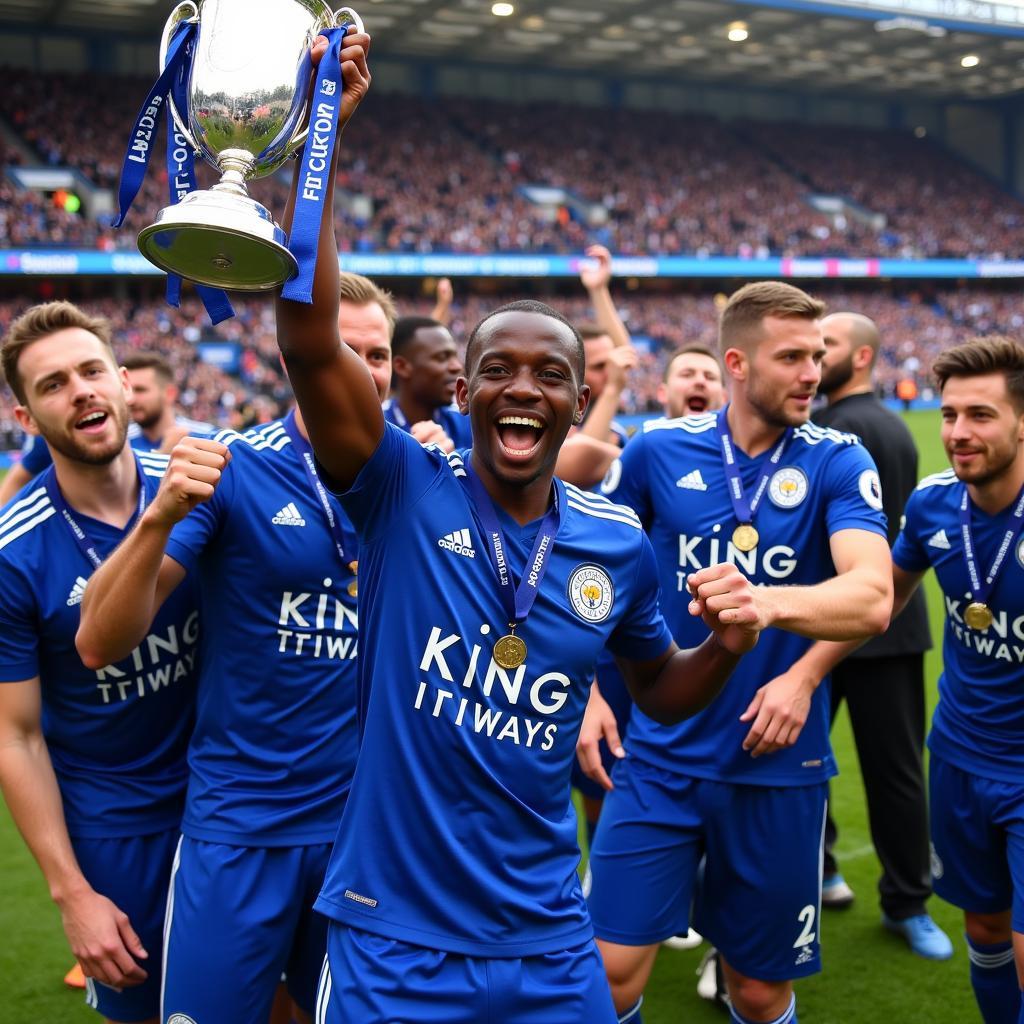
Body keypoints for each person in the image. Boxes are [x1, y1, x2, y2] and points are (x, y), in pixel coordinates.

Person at [273, 36, 763, 1022]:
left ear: (580, 403)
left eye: (551, 375)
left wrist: (725, 645)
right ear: (463, 390)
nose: (524, 388)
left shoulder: (613, 540)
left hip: (548, 936)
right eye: (501, 368)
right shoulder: (403, 486)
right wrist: (320, 136)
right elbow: (307, 335)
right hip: (393, 935)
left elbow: (658, 693)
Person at [75, 268, 395, 1022]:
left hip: (369, 835)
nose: (361, 372)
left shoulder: (423, 475)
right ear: (296, 360)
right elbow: (98, 642)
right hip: (241, 825)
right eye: (343, 352)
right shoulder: (233, 467)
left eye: (376, 356)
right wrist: (158, 518)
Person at [584, 281, 893, 1024]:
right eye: (792, 357)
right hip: (656, 756)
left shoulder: (837, 460)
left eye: (817, 355)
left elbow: (874, 597)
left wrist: (772, 612)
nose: (813, 373)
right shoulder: (658, 451)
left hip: (774, 765)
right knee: (606, 971)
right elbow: (592, 577)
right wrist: (591, 693)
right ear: (737, 363)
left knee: (756, 988)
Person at [809, 336, 1024, 1024]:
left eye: (981, 416)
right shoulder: (934, 505)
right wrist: (800, 678)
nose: (958, 432)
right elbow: (874, 606)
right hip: (959, 758)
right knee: (985, 931)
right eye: (951, 413)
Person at [0, 300, 200, 1024]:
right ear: (26, 419)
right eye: (52, 384)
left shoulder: (198, 489)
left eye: (91, 371)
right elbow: (14, 736)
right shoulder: (12, 555)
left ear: (122, 382)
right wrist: (71, 894)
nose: (79, 390)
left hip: (226, 799)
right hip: (116, 827)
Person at [814, 312, 950, 959]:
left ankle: (891, 896)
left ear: (862, 357)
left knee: (828, 763)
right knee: (885, 771)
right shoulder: (890, 424)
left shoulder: (834, 433)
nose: (816, 357)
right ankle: (898, 898)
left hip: (855, 623)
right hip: (882, 624)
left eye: (828, 346)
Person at [383, 315, 471, 449]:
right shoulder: (377, 429)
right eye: (442, 357)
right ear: (402, 366)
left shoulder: (468, 423)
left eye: (455, 356)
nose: (457, 366)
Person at [121, 351, 214, 452]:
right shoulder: (121, 443)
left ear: (170, 394)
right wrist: (163, 456)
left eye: (140, 390)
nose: (131, 399)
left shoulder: (207, 438)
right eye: (126, 390)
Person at [659, 344, 727, 419]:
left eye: (710, 377)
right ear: (663, 393)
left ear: (724, 397)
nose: (700, 381)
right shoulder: (646, 430)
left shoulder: (739, 431)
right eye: (687, 375)